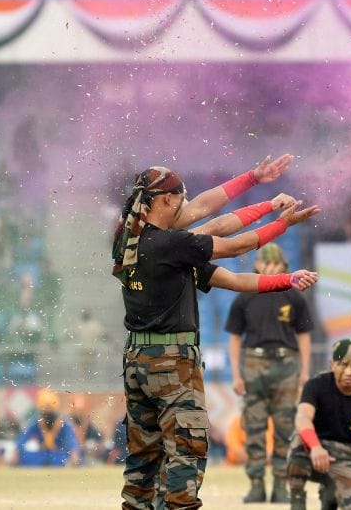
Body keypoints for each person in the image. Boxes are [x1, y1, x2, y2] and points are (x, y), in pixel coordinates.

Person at [112, 159, 320, 510]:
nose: (187, 205)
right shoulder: (172, 246)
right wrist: (281, 223)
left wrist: (286, 279)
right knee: (187, 452)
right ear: (165, 200)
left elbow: (235, 274)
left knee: (143, 462)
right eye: (181, 198)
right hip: (171, 364)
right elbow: (233, 244)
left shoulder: (128, 241)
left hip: (137, 361)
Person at [226, 242, 315, 503]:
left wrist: (304, 373)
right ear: (257, 264)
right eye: (266, 263)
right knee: (253, 426)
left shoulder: (294, 295)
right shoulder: (245, 294)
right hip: (254, 362)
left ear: (284, 266)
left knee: (286, 426)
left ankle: (280, 485)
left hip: (287, 364)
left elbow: (305, 337)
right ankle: (256, 483)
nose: (271, 267)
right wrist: (236, 374)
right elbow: (234, 337)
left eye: (276, 264)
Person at [288, 339, 351, 510]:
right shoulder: (315, 385)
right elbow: (302, 418)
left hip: (347, 457)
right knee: (298, 441)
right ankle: (297, 501)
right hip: (315, 450)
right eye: (342, 364)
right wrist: (315, 447)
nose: (348, 372)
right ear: (332, 364)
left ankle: (330, 494)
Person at [18, 388, 80, 466]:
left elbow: (71, 439)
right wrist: (17, 450)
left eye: (50, 408)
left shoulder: (63, 422)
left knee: (69, 458)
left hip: (59, 455)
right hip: (41, 455)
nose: (48, 411)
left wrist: (74, 452)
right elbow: (23, 437)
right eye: (45, 408)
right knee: (26, 456)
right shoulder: (36, 423)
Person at [68, 394, 106, 465]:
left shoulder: (88, 424)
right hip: (70, 455)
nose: (78, 412)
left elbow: (99, 440)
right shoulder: (68, 423)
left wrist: (94, 448)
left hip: (85, 455)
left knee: (90, 445)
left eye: (80, 410)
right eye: (77, 409)